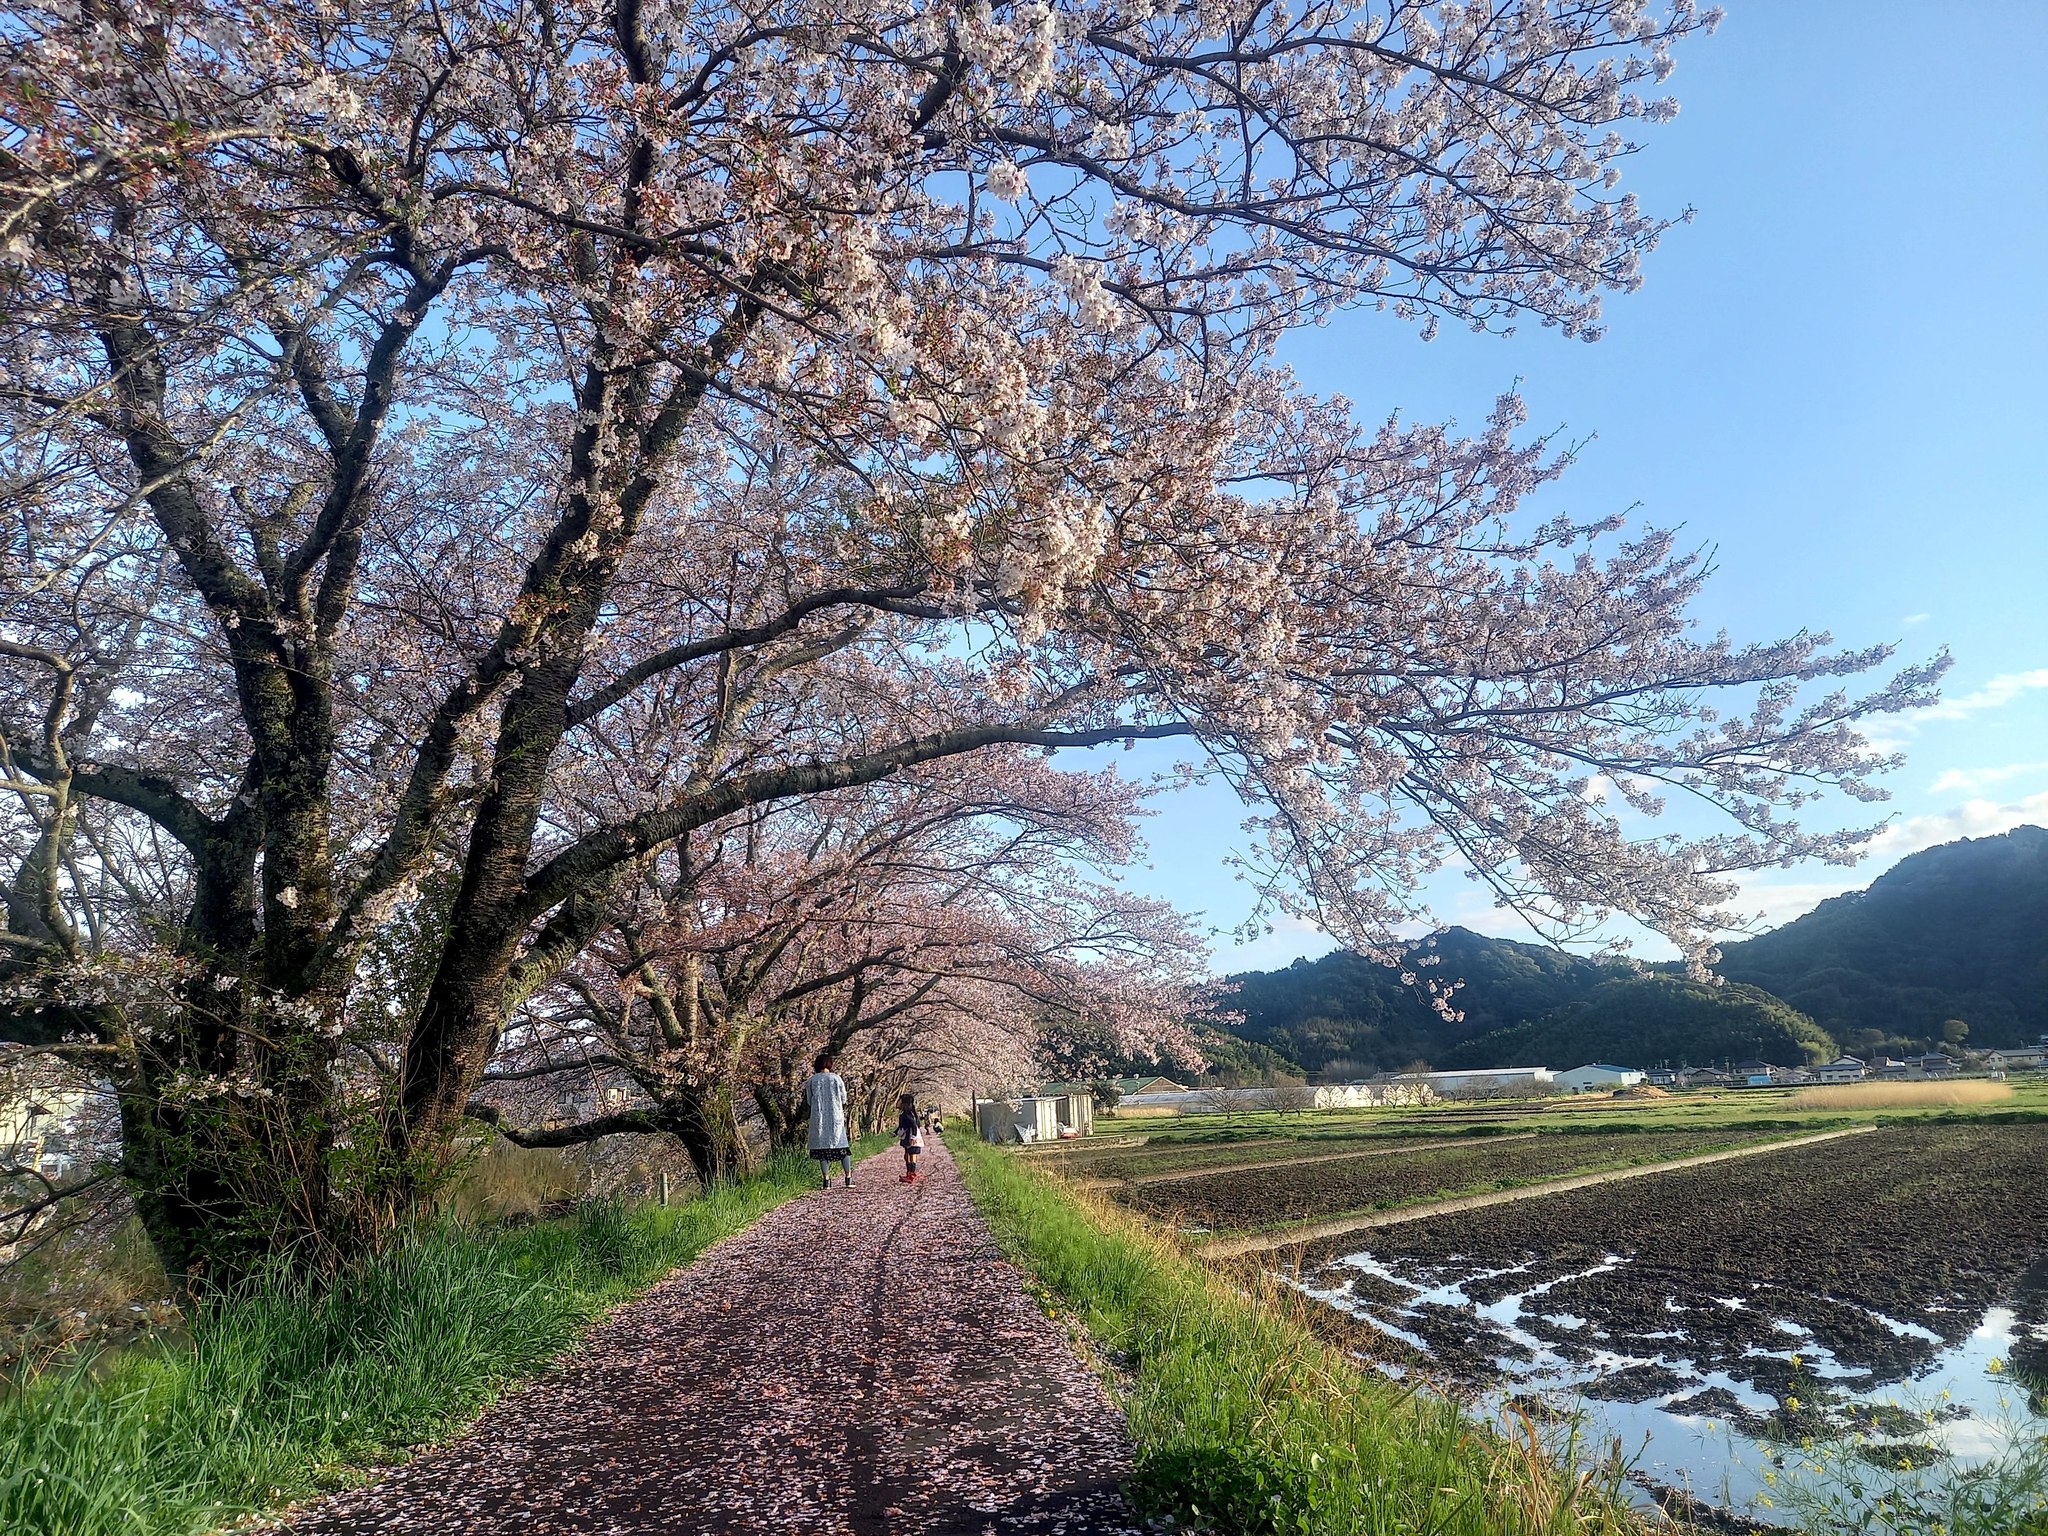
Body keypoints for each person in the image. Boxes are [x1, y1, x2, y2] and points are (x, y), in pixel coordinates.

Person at [805, 1051, 852, 1188]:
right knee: (842, 1146)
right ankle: (848, 1178)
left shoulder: (812, 1080)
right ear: (830, 1064)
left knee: (822, 1149)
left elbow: (809, 1101)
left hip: (818, 1117)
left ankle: (826, 1181)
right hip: (835, 1116)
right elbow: (844, 1098)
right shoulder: (836, 1078)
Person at [896, 1091, 923, 1183]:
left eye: (899, 1100)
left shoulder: (905, 1115)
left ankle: (910, 1174)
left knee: (909, 1155)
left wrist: (913, 1136)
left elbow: (912, 1125)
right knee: (910, 1155)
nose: (897, 1102)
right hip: (914, 1138)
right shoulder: (912, 1113)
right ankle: (910, 1173)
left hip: (910, 1138)